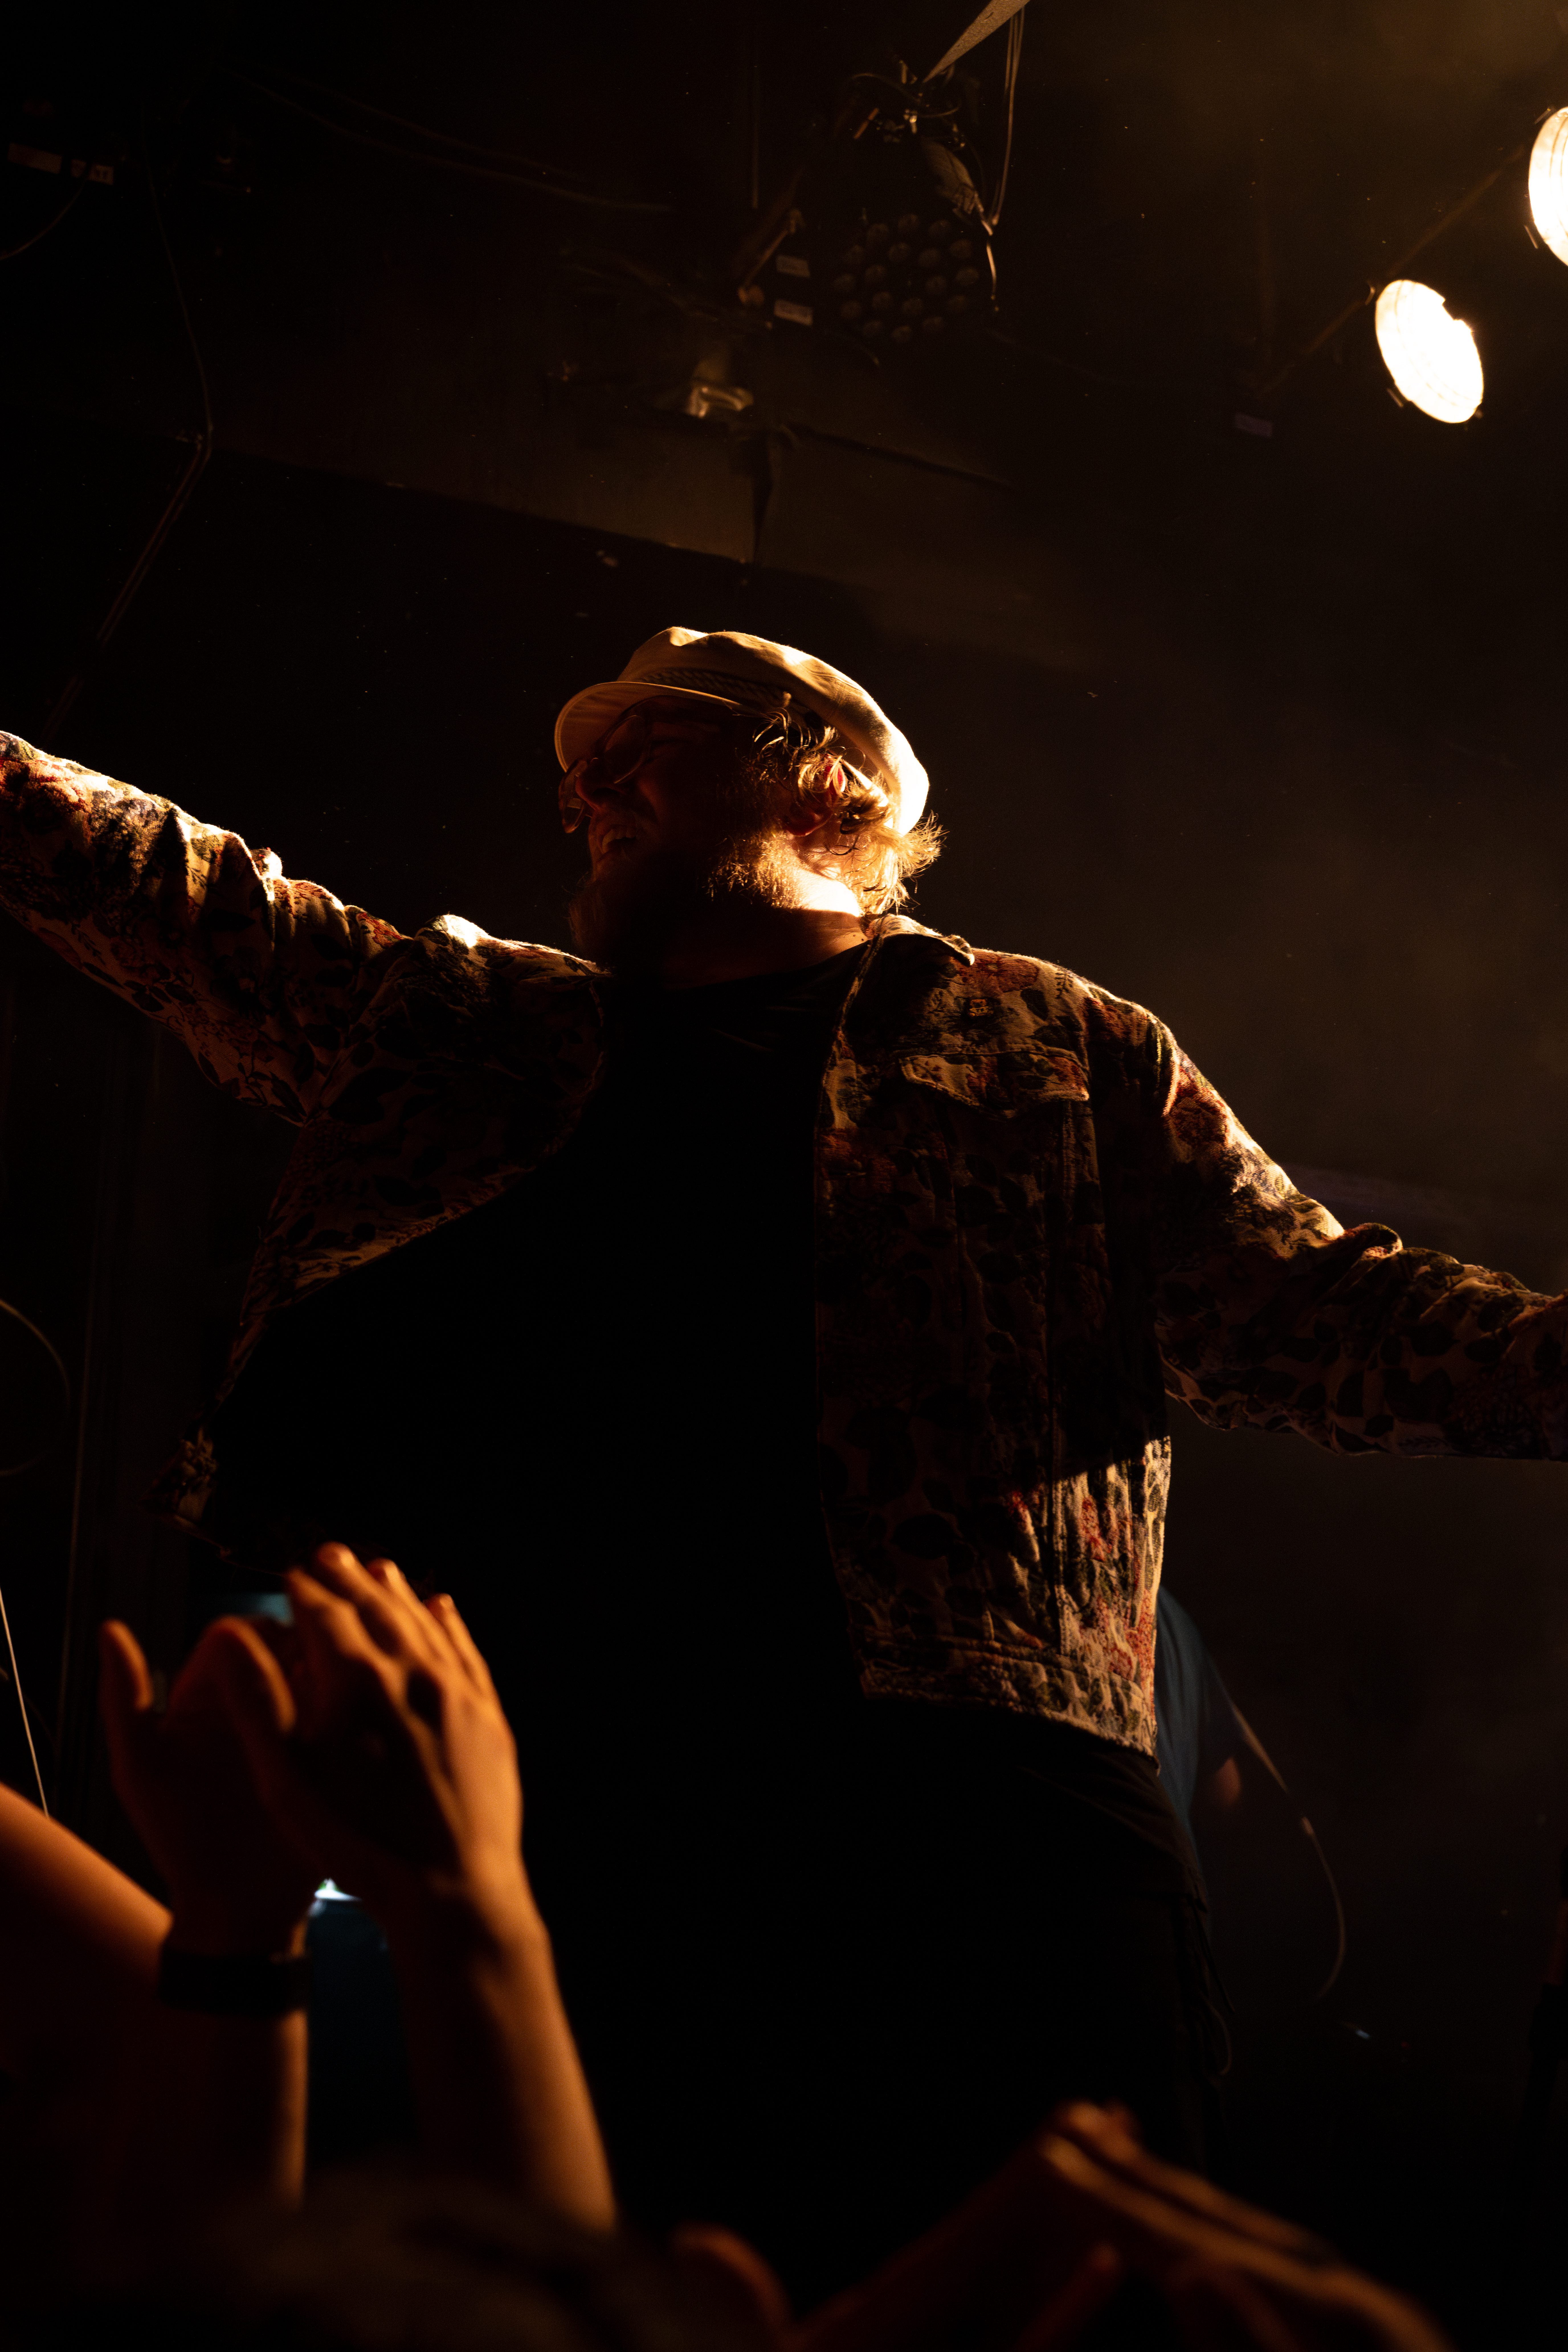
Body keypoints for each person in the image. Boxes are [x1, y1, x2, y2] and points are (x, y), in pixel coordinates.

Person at [3, 624, 1565, 2294]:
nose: (587, 789)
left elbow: (1327, 1311)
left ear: (828, 778)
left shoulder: (1053, 1049)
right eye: (578, 770)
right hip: (610, 1848)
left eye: (652, 744)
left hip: (992, 1849)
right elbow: (186, 898)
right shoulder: (476, 1031)